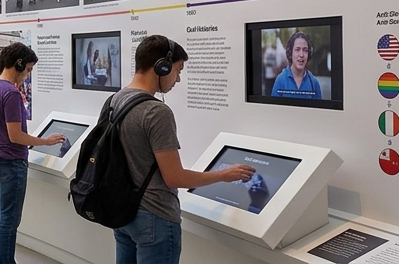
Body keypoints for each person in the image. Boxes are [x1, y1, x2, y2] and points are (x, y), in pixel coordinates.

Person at [114, 36, 255, 263]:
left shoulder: (116, 100)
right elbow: (174, 177)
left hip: (122, 212)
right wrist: (223, 175)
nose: (178, 79)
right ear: (162, 66)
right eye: (178, 70)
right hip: (154, 217)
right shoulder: (155, 112)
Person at [0, 42, 65, 264]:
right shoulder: (10, 93)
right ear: (18, 64)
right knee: (9, 219)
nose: (27, 75)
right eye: (28, 69)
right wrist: (45, 141)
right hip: (10, 162)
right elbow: (15, 136)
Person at [270, 31, 323, 99]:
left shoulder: (314, 83)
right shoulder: (280, 80)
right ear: (290, 52)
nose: (301, 55)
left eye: (305, 50)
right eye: (297, 49)